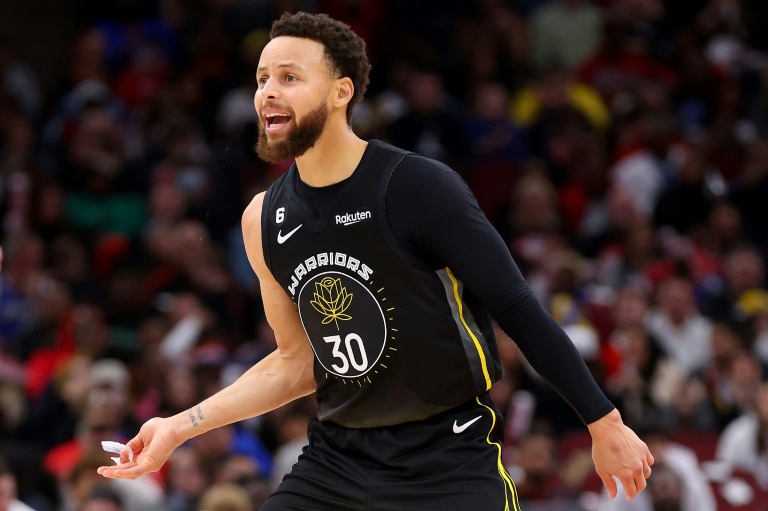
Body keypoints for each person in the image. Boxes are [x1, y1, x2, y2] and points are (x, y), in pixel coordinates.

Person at [98, 12, 654, 510]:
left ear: (341, 92)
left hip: (447, 457)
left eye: (289, 77)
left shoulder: (417, 186)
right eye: (262, 79)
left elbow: (516, 306)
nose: (267, 93)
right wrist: (178, 426)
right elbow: (295, 362)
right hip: (337, 460)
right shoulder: (261, 218)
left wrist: (603, 421)